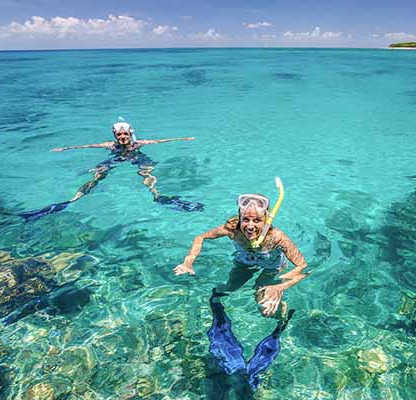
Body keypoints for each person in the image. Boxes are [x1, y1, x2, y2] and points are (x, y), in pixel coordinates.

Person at [173, 179, 308, 389]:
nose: (251, 226)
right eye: (246, 219)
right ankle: (217, 300)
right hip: (243, 263)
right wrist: (189, 261)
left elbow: (303, 267)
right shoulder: (232, 230)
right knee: (227, 290)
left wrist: (277, 287)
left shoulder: (277, 237)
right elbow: (201, 237)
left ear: (266, 219)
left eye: (257, 220)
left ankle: (282, 317)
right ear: (240, 218)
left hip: (271, 268)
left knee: (264, 305)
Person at [19, 118, 202, 221]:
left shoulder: (139, 143)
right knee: (97, 175)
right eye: (119, 134)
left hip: (136, 158)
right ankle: (72, 200)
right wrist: (66, 149)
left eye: (125, 134)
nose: (122, 137)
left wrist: (183, 139)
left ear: (130, 134)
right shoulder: (110, 146)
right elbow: (88, 146)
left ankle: (158, 196)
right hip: (115, 158)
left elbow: (160, 141)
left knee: (147, 174)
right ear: (115, 135)